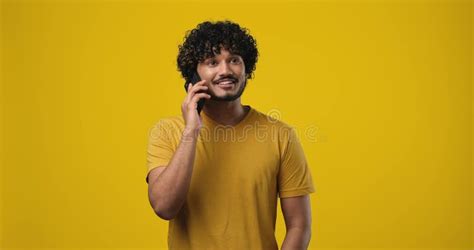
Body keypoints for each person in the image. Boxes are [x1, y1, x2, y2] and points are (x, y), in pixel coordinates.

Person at [146, 20, 316, 249]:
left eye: (234, 60)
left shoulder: (280, 135)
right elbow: (164, 207)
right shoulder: (167, 132)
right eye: (212, 62)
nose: (225, 70)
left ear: (247, 68)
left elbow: (299, 225)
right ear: (193, 77)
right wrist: (191, 131)